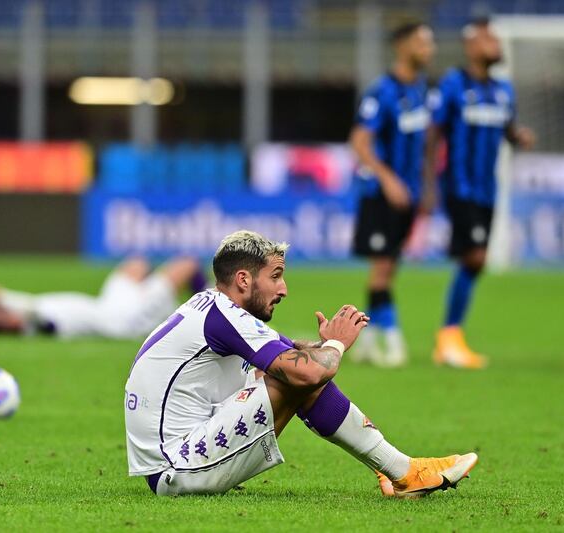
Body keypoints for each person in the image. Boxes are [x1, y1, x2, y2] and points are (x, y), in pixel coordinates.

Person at [125, 230, 477, 498]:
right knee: (298, 377)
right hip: (178, 468)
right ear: (244, 280)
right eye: (275, 276)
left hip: (173, 460)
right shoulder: (223, 317)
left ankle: (396, 469)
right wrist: (337, 344)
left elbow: (292, 352)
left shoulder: (216, 310)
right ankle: (402, 471)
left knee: (290, 370)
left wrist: (323, 347)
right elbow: (306, 370)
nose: (284, 289)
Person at [426, 18, 535, 369]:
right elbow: (433, 133)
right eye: (488, 38)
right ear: (471, 45)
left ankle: (450, 337)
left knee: (476, 260)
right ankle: (448, 336)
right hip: (461, 186)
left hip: (488, 190)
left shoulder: (503, 90)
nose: (496, 44)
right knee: (473, 257)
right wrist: (428, 183)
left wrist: (519, 137)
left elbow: (507, 129)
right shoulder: (454, 84)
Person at [348, 21, 436, 367]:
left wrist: (427, 187)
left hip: (409, 195)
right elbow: (359, 141)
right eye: (421, 43)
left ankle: (367, 339)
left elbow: (426, 145)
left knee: (390, 267)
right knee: (382, 267)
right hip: (381, 194)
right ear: (402, 46)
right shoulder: (381, 91)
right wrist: (388, 180)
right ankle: (392, 340)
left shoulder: (421, 90)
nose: (429, 49)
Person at [0, 257, 205, 339]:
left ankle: (167, 305)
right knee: (187, 264)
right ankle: (206, 313)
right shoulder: (37, 321)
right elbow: (27, 310)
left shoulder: (25, 311)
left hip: (107, 303)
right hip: (122, 319)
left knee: (135, 264)